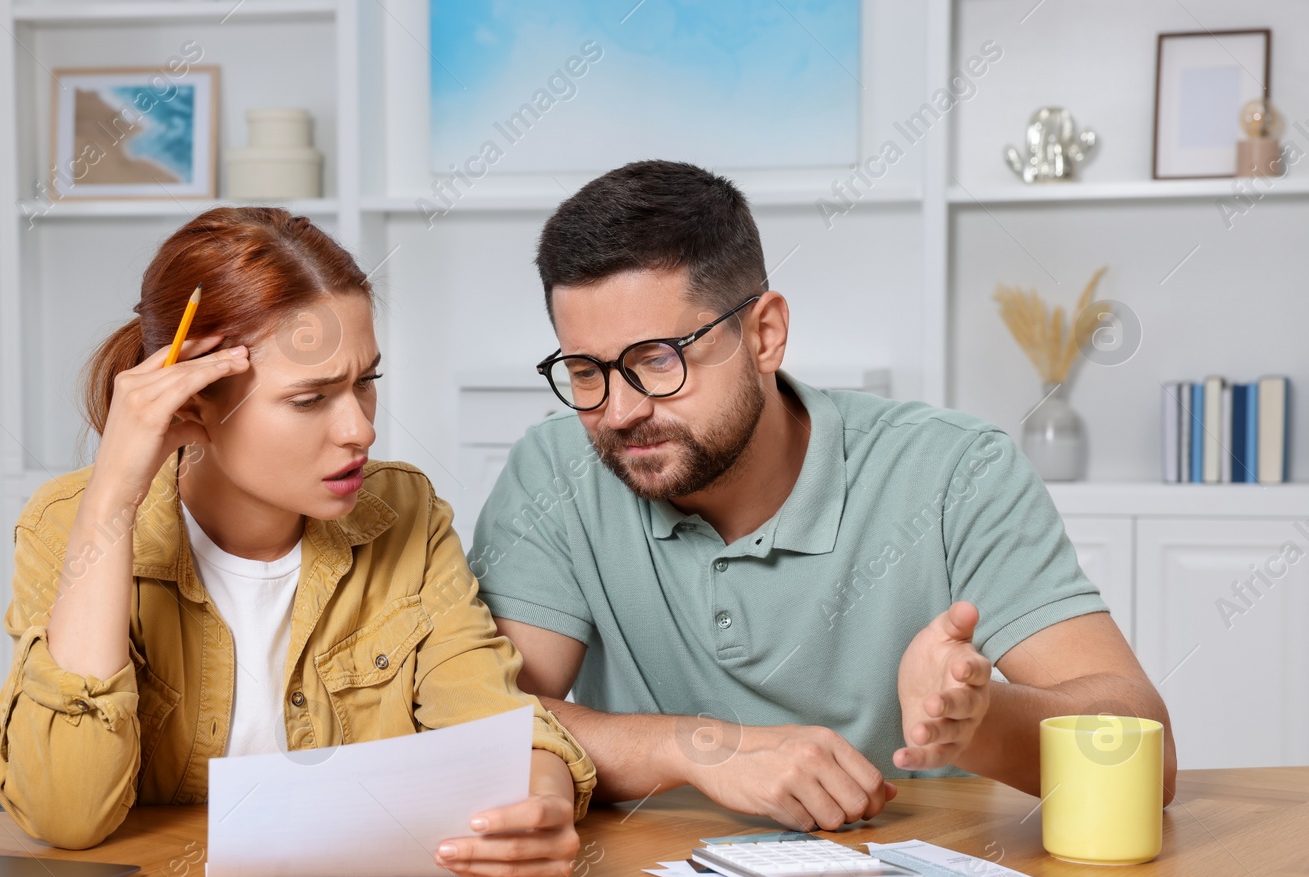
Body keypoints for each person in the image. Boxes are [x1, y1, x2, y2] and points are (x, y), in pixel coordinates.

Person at [472, 160, 1177, 832]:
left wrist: (979, 716)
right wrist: (697, 747)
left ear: (765, 335)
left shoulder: (956, 470)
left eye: (658, 359)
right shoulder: (555, 468)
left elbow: (1147, 755)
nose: (619, 411)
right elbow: (485, 716)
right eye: (586, 371)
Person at [0, 207, 594, 877]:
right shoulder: (66, 522)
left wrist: (541, 798)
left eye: (366, 381)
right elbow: (65, 814)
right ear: (193, 404)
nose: (359, 428)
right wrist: (112, 500)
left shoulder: (403, 516)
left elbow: (494, 726)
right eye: (310, 398)